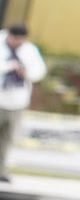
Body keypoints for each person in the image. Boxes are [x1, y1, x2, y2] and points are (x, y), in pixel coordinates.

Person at [0, 23, 41, 179]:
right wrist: (10, 66)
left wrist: (26, 72)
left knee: (6, 138)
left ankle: (1, 170)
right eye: (15, 39)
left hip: (17, 102)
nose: (18, 43)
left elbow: (38, 71)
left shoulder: (29, 50)